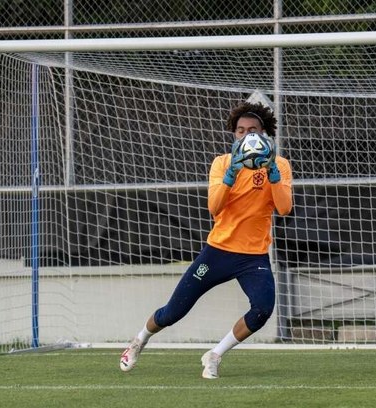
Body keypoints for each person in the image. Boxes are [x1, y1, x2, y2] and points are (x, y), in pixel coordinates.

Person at [119, 101, 293, 379]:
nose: (246, 135)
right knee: (172, 313)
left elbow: (284, 209)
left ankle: (214, 355)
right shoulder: (222, 163)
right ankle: (140, 340)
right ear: (234, 135)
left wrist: (273, 176)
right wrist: (231, 175)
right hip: (217, 253)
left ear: (264, 135)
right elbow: (214, 207)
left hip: (254, 257)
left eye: (253, 130)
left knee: (262, 310)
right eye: (240, 130)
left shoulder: (280, 165)